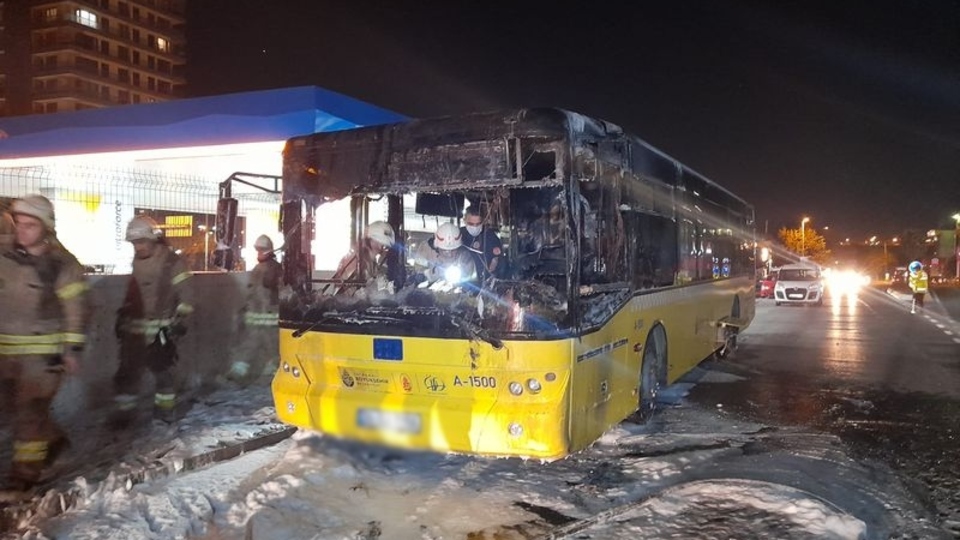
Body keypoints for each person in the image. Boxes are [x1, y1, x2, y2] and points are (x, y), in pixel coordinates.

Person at [0, 195, 88, 490]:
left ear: (46, 227)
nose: (21, 231)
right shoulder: (4, 257)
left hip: (43, 357)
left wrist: (71, 349)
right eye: (18, 224)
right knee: (13, 409)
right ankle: (56, 442)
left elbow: (77, 309)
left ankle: (23, 477)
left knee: (30, 414)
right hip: (6, 353)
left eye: (30, 225)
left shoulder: (62, 265)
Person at [112, 216, 194, 424]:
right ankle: (124, 413)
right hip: (135, 330)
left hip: (162, 330)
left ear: (153, 239)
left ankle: (165, 411)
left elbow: (187, 295)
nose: (137, 247)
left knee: (162, 374)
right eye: (134, 243)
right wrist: (124, 317)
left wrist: (180, 321)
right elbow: (135, 293)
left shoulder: (171, 262)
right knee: (127, 374)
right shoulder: (137, 262)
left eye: (141, 242)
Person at [227, 234, 281, 384]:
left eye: (262, 250)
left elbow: (277, 290)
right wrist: (244, 310)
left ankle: (274, 375)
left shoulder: (275, 268)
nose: (259, 253)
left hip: (269, 318)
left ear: (269, 250)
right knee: (249, 344)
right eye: (258, 250)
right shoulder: (259, 268)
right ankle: (239, 372)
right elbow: (252, 293)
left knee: (272, 348)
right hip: (256, 317)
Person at [326, 220, 396, 294]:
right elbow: (346, 294)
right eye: (383, 244)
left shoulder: (371, 261)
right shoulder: (357, 261)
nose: (384, 248)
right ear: (372, 240)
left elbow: (382, 287)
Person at [427, 222, 479, 286]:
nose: (449, 254)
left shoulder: (465, 258)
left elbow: (471, 279)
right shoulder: (426, 252)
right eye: (445, 250)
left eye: (453, 250)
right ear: (437, 246)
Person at [460, 206, 503, 280]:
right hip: (462, 277)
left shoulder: (490, 237)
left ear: (483, 222)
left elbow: (497, 257)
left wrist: (495, 260)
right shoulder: (459, 234)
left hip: (485, 279)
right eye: (471, 224)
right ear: (464, 220)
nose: (475, 227)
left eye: (478, 224)